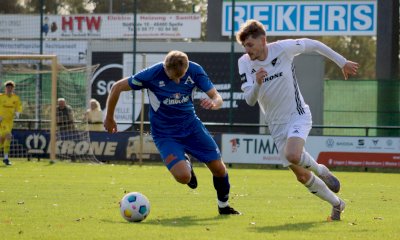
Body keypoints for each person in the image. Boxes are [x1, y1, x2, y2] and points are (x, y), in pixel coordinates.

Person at [236, 19, 359, 221]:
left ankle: (321, 170)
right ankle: (337, 204)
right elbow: (250, 100)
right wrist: (257, 83)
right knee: (302, 176)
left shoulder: (283, 49)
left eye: (250, 44)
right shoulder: (244, 63)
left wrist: (342, 61)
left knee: (293, 155)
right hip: (275, 126)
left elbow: (315, 45)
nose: (248, 50)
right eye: (245, 46)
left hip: (297, 114)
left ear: (263, 40)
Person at [104, 50, 240, 215]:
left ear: (187, 68)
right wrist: (109, 117)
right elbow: (117, 87)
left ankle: (223, 207)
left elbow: (216, 97)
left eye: (180, 77)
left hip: (192, 128)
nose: (176, 80)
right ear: (165, 67)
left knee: (219, 169)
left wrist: (214, 103)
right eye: (171, 77)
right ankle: (186, 165)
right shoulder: (152, 74)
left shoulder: (195, 70)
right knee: (184, 177)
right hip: (165, 134)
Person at [0, 80, 22, 165]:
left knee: (2, 140)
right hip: (2, 121)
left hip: (10, 121)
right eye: (8, 87)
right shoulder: (1, 97)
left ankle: (5, 157)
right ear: (5, 88)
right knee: (8, 136)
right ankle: (6, 158)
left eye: (11, 87)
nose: (9, 89)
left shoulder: (16, 98)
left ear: (13, 88)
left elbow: (18, 107)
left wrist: (18, 112)